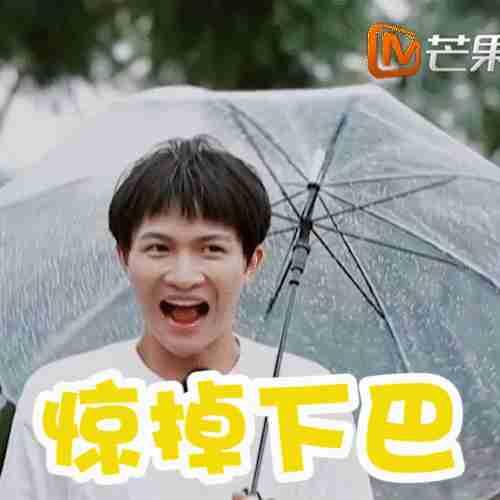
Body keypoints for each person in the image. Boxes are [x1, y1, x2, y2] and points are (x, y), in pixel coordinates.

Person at [0, 136, 373, 499]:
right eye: (158, 248)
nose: (183, 276)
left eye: (211, 249)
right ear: (124, 257)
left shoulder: (312, 401)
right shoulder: (57, 396)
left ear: (251, 262)